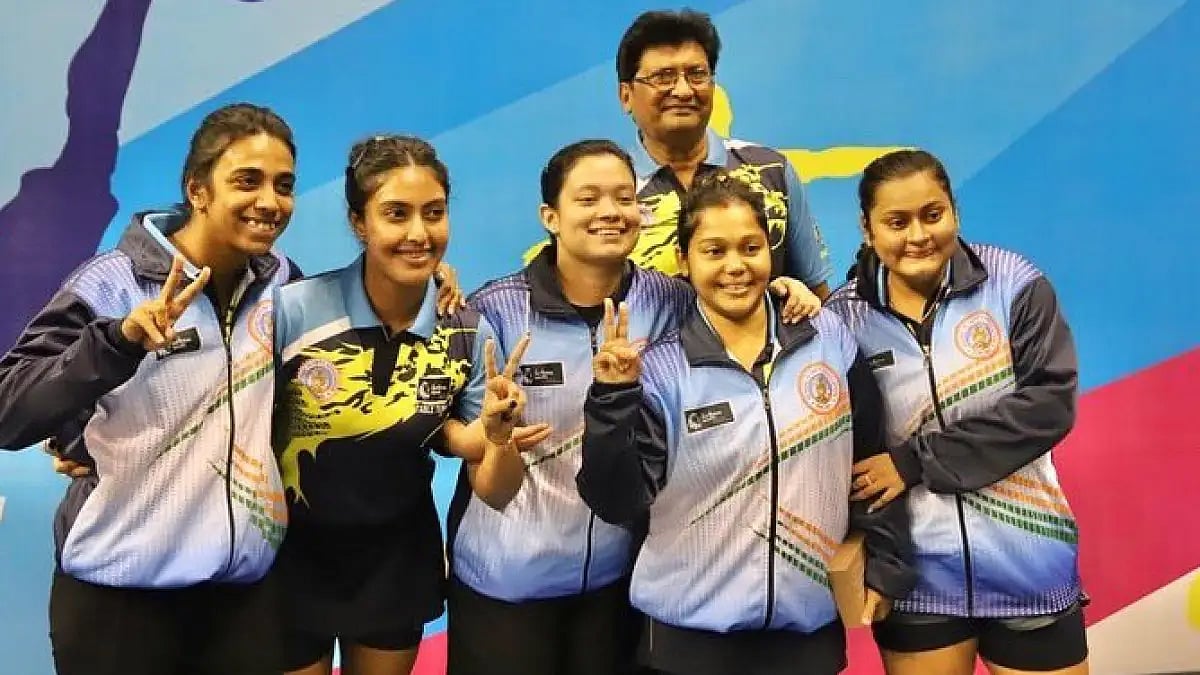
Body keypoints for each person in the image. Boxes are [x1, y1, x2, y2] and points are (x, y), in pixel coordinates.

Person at [446, 139, 819, 675]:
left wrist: (785, 291)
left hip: (618, 588)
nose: (610, 212)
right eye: (589, 199)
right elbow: (489, 483)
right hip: (505, 587)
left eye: (624, 197)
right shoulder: (497, 312)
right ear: (549, 216)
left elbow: (740, 303)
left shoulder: (670, 303)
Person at [0, 103, 300, 675]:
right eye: (246, 181)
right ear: (198, 189)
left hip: (243, 603)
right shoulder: (111, 283)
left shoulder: (284, 282)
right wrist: (118, 342)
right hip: (120, 606)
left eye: (283, 185)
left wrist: (434, 286)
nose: (269, 201)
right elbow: (9, 405)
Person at [576, 172, 915, 675]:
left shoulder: (829, 340)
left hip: (808, 633)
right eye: (714, 251)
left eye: (750, 247)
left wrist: (887, 565)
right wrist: (612, 399)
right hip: (688, 642)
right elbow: (615, 499)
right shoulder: (661, 371)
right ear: (685, 263)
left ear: (770, 255)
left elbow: (870, 459)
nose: (736, 266)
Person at [271, 135, 544, 675]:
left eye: (434, 213)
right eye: (396, 214)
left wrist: (496, 434)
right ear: (359, 222)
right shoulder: (294, 311)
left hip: (395, 560)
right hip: (289, 556)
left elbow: (487, 475)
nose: (419, 233)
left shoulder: (465, 329)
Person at [828, 149, 1088, 674]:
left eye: (932, 214)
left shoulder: (1015, 284)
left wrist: (913, 462)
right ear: (866, 227)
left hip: (1029, 561)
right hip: (919, 579)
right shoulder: (844, 319)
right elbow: (850, 452)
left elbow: (1048, 406)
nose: (918, 236)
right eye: (896, 222)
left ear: (954, 211)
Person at [615, 9, 832, 297]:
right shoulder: (612, 190)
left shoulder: (771, 170)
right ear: (626, 95)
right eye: (663, 77)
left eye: (697, 74)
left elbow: (817, 294)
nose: (683, 90)